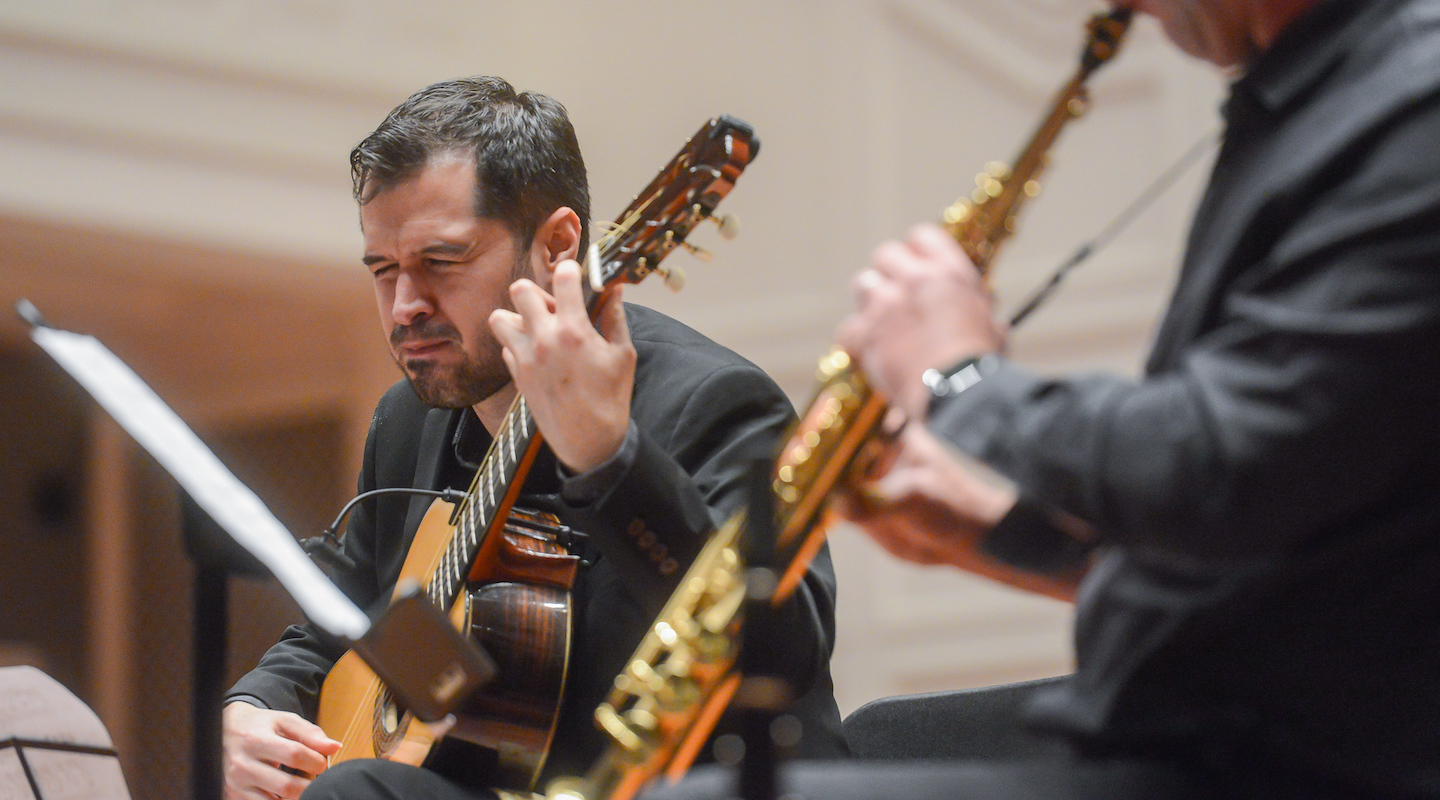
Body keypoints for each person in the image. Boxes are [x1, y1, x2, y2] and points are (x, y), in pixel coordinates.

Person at [644, 0, 1440, 798]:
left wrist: (959, 375)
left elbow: (1220, 465)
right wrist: (985, 528)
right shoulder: (1318, 98)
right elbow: (1257, 552)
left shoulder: (1411, 110)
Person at [220, 76, 846, 800]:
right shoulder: (409, 421)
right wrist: (251, 711)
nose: (403, 307)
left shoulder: (711, 403)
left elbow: (780, 652)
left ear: (556, 245)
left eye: (441, 263)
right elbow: (346, 627)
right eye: (383, 271)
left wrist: (611, 461)